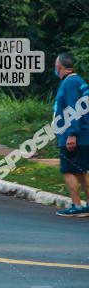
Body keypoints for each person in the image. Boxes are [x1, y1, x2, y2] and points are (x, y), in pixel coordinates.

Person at [52, 52, 89, 217]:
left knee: (68, 170)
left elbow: (74, 110)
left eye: (55, 65)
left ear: (59, 66)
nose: (55, 68)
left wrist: (71, 134)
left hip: (73, 135)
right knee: (81, 171)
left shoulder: (69, 83)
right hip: (82, 134)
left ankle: (77, 206)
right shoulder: (78, 81)